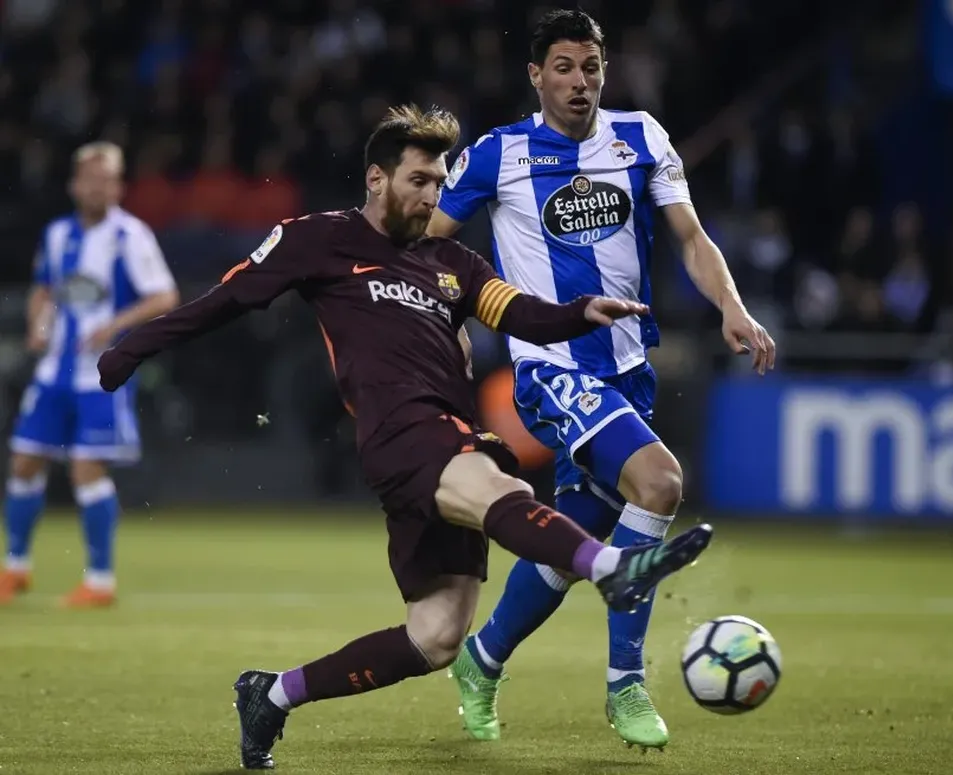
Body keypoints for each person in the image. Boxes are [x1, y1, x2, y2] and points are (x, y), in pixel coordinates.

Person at [95, 105, 714, 769]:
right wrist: (130, 349)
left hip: (448, 430)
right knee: (495, 484)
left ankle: (272, 694)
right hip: (401, 431)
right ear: (377, 178)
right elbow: (223, 301)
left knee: (437, 636)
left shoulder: (453, 261)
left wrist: (578, 312)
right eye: (418, 180)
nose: (431, 196)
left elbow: (519, 313)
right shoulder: (319, 239)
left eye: (439, 183)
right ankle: (610, 569)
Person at [426, 9, 775, 749]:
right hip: (549, 367)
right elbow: (428, 247)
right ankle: (626, 684)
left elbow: (690, 236)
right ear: (536, 76)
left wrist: (732, 306)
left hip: (628, 369)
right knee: (660, 482)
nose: (579, 81)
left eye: (590, 67)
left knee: (575, 538)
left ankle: (481, 659)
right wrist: (449, 320)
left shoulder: (642, 136)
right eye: (563, 67)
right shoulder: (497, 153)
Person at [0, 142, 179, 608]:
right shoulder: (58, 233)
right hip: (54, 369)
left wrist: (115, 326)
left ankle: (100, 580)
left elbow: (164, 296)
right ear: (74, 185)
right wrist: (36, 325)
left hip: (103, 373)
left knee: (87, 469)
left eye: (106, 180)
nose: (97, 188)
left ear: (118, 187)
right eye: (90, 179)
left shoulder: (130, 235)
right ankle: (15, 567)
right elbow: (44, 289)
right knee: (24, 461)